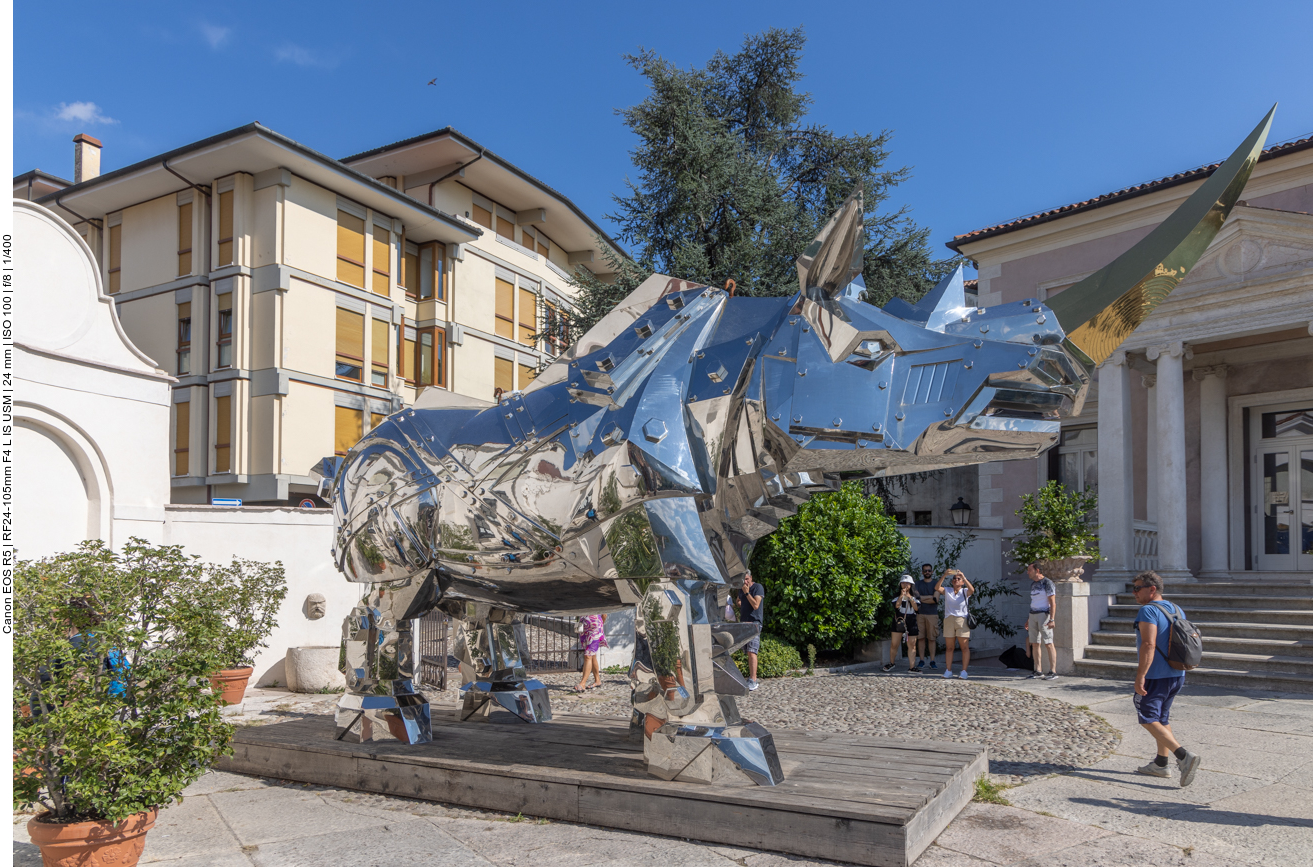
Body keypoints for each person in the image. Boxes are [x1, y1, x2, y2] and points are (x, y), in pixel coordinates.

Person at [1131, 571, 1201, 787]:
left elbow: (1148, 644)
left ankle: (1183, 756)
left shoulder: (1148, 610)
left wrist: (1140, 675)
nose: (1134, 592)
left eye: (1137, 588)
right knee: (1162, 718)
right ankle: (1161, 764)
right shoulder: (1176, 608)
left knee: (1147, 717)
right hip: (1176, 673)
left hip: (1156, 674)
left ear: (1152, 589)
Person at [936, 569, 975, 679]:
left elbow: (972, 590)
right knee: (949, 647)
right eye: (954, 579)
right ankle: (948, 670)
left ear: (962, 582)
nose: (956, 580)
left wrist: (964, 576)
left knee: (964, 647)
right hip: (949, 619)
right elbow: (937, 588)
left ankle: (964, 671)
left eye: (959, 579)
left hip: (962, 620)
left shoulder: (965, 591)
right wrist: (944, 575)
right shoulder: (948, 590)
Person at [1023, 563, 1058, 680]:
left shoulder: (1047, 583)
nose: (1028, 572)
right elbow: (1034, 602)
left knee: (1048, 642)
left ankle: (1053, 671)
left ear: (1037, 570)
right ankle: (1038, 670)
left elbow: (1052, 602)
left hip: (1044, 615)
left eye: (1029, 570)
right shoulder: (1033, 584)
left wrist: (1052, 619)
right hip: (1033, 615)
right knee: (1035, 643)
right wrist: (1028, 619)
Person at [883, 575, 920, 673]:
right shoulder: (896, 595)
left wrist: (910, 598)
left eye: (907, 583)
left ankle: (912, 667)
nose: (905, 585)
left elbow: (917, 608)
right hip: (899, 620)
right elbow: (896, 606)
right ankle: (891, 663)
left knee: (912, 645)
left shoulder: (916, 595)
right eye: (903, 583)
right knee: (894, 644)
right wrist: (901, 596)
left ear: (911, 585)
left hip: (911, 620)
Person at [738, 570, 765, 690]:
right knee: (746, 652)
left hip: (754, 623)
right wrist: (739, 601)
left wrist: (747, 593)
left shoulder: (757, 588)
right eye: (743, 580)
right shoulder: (741, 589)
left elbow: (755, 605)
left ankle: (753, 680)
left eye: (747, 579)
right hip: (744, 622)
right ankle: (749, 677)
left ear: (751, 577)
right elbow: (739, 600)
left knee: (752, 651)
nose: (745, 582)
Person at [913, 563, 941, 670]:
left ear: (932, 571)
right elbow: (916, 597)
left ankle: (932, 661)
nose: (927, 572)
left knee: (932, 638)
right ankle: (921, 660)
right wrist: (929, 597)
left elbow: (935, 599)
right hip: (920, 614)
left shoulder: (936, 584)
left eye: (929, 570)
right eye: (925, 571)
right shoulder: (918, 584)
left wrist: (922, 598)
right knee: (920, 638)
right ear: (922, 572)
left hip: (932, 615)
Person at [574, 613, 607, 692]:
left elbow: (604, 615)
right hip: (585, 631)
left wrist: (599, 626)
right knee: (592, 656)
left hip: (595, 632)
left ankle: (582, 684)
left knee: (588, 655)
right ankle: (597, 681)